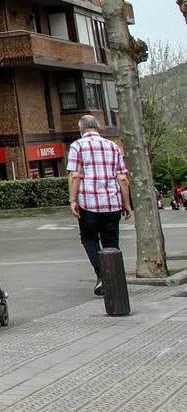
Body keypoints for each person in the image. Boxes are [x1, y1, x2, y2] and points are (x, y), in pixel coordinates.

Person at [67, 114, 131, 296]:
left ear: (81, 129)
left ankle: (102, 275)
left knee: (89, 239)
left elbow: (75, 175)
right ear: (98, 128)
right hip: (112, 203)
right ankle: (115, 279)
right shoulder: (113, 147)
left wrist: (73, 200)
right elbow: (123, 178)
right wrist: (126, 203)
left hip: (88, 204)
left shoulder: (77, 146)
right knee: (111, 241)